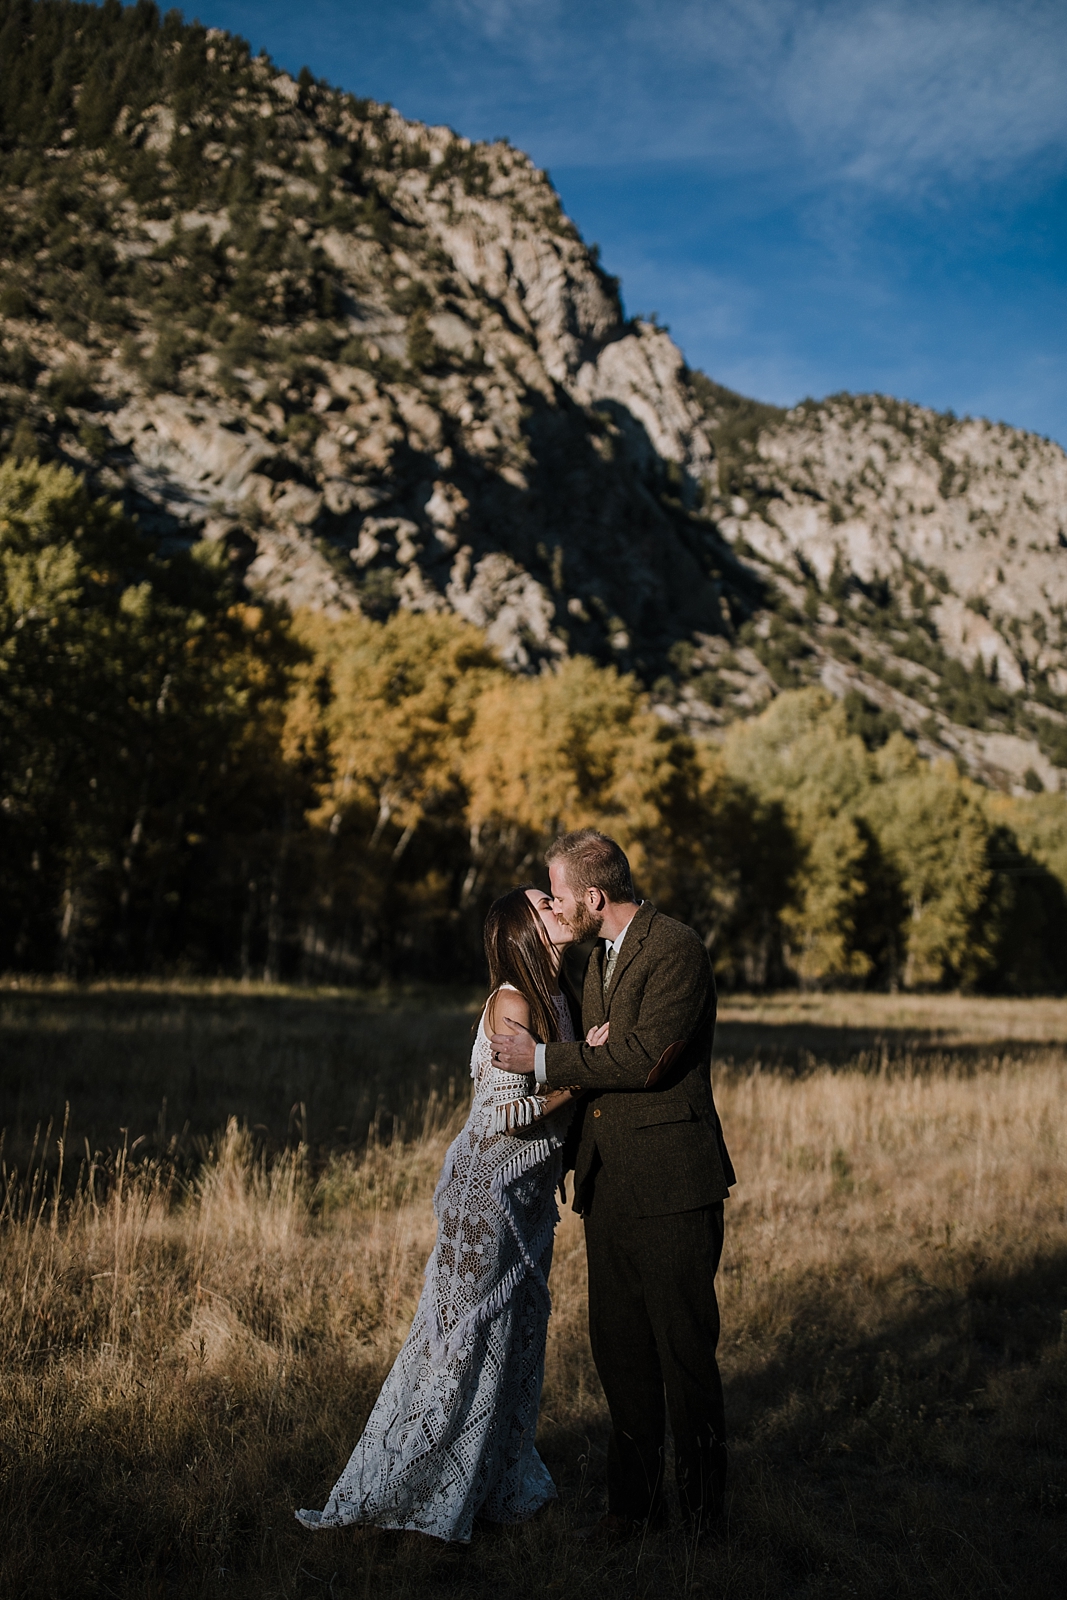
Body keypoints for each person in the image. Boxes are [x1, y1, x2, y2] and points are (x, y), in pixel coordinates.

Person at [294, 885, 603, 1545]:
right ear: (520, 927)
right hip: (483, 1195)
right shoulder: (511, 1000)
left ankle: (487, 1484)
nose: (557, 903)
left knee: (513, 1346)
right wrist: (581, 1077)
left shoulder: (559, 996)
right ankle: (408, 1487)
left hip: (527, 1199)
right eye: (543, 900)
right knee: (460, 1347)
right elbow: (504, 1115)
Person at [491, 829, 735, 1544]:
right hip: (606, 1187)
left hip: (672, 1185)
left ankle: (701, 1521)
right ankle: (632, 1508)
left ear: (594, 897)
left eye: (562, 896)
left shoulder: (676, 949)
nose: (559, 909)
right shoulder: (592, 957)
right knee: (619, 1353)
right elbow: (535, 959)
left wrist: (541, 1060)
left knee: (683, 1354)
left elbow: (646, 1058)